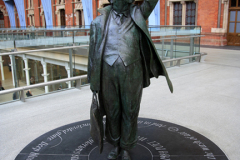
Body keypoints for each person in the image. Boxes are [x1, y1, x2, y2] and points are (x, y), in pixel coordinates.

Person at [88, 0, 173, 159]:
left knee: (130, 111)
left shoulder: (139, 14)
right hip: (107, 73)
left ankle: (126, 146)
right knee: (112, 112)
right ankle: (116, 145)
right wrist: (93, 81)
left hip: (133, 71)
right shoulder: (98, 22)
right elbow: (92, 54)